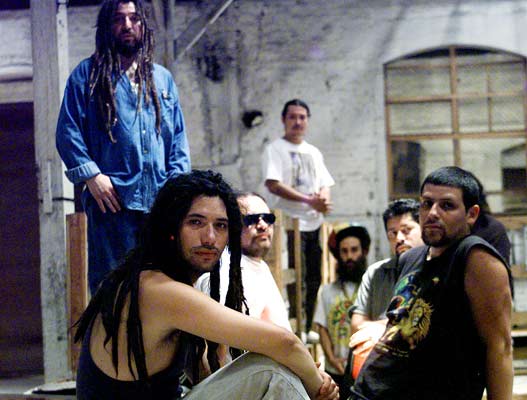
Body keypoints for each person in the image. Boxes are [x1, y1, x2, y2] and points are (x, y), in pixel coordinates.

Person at [74, 170, 339, 400]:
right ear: (171, 228)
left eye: (220, 226)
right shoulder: (158, 289)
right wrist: (319, 387)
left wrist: (301, 372)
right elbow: (285, 343)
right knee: (271, 369)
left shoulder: (167, 283)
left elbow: (205, 374)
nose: (210, 238)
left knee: (279, 366)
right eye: (196, 222)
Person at [56, 0, 190, 293]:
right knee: (114, 290)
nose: (127, 26)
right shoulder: (87, 75)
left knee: (164, 288)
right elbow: (67, 131)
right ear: (107, 26)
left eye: (134, 18)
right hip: (112, 203)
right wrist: (92, 176)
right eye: (118, 19)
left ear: (144, 25)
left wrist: (178, 191)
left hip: (160, 204)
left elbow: (178, 139)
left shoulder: (162, 79)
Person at [350, 166, 513, 400]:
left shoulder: (475, 258)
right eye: (426, 204)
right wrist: (382, 327)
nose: (432, 213)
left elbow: (500, 347)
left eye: (447, 205)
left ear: (471, 214)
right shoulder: (410, 258)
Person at [262, 98, 335, 332]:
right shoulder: (275, 149)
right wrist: (309, 200)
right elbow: (273, 184)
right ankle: (295, 327)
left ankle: (308, 327)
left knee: (314, 277)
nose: (297, 122)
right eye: (292, 117)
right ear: (283, 120)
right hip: (288, 224)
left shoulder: (313, 152)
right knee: (295, 278)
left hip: (313, 223)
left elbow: (325, 183)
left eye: (302, 117)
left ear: (307, 120)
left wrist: (323, 201)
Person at [196, 192, 291, 331]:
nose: (263, 225)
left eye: (268, 218)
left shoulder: (258, 265)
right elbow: (222, 337)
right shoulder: (223, 273)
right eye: (251, 220)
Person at [313, 224, 371, 399]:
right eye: (344, 251)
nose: (349, 256)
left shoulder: (374, 288)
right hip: (335, 372)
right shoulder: (327, 291)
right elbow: (322, 328)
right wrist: (331, 359)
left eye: (354, 250)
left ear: (364, 252)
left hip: (367, 369)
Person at [350, 199, 423, 334]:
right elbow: (356, 326)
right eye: (392, 233)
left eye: (406, 230)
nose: (399, 238)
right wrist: (397, 324)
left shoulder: (438, 269)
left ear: (423, 229)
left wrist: (380, 326)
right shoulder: (376, 273)